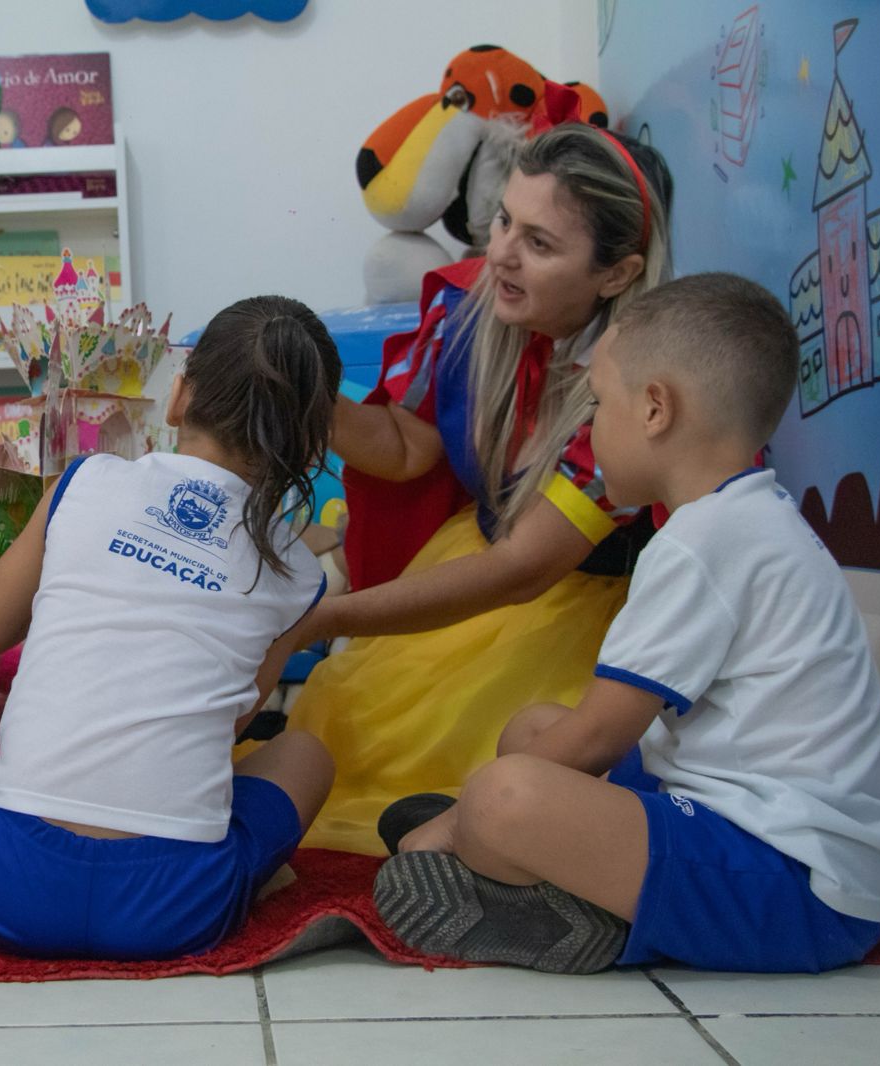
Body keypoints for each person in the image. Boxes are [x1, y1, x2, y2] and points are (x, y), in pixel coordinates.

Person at [374, 274, 880, 974]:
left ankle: (561, 894)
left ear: (656, 408)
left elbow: (603, 734)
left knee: (501, 795)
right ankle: (565, 882)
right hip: (769, 841)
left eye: (598, 403)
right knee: (531, 730)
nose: (589, 427)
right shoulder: (745, 516)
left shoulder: (703, 541)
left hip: (792, 887)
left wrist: (454, 825)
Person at [0, 296, 338, 959]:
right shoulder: (298, 570)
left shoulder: (83, 483)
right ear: (307, 440)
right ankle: (249, 873)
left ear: (179, 397)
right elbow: (230, 720)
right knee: (307, 755)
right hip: (179, 906)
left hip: (14, 886)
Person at [279, 123, 675, 854]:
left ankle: (464, 842)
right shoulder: (470, 307)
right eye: (502, 221)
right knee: (348, 722)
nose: (498, 254)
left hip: (566, 604)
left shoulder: (630, 394)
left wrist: (322, 618)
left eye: (540, 243)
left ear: (617, 274)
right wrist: (299, 388)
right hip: (478, 561)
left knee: (447, 758)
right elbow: (404, 447)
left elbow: (520, 570)